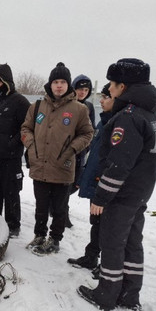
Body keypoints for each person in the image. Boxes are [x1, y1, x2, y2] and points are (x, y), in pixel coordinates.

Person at [77, 58, 156, 311]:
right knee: (132, 243)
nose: (109, 89)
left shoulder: (128, 118)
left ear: (123, 87)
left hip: (123, 195)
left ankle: (107, 293)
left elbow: (118, 164)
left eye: (112, 84)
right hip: (139, 194)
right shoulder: (150, 114)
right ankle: (129, 293)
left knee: (113, 242)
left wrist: (101, 197)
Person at [20, 62, 93, 255]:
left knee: (59, 209)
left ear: (68, 85)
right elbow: (25, 128)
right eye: (55, 82)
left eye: (62, 82)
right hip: (40, 164)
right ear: (50, 84)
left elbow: (87, 134)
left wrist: (71, 150)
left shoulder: (79, 109)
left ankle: (55, 239)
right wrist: (31, 146)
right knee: (41, 206)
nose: (58, 85)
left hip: (63, 166)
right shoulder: (37, 106)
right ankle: (39, 235)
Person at [67, 83, 114, 273]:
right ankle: (91, 256)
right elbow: (96, 155)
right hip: (97, 181)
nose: (101, 101)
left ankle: (108, 266)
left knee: (108, 227)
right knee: (96, 223)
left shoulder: (119, 123)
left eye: (105, 97)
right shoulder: (105, 122)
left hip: (106, 185)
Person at [0, 64, 30, 236]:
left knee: (11, 192)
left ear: (6, 82)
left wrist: (13, 142)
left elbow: (26, 127)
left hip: (11, 157)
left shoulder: (20, 102)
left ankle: (13, 225)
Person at [62, 74, 97, 228]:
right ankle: (62, 212)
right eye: (79, 89)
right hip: (66, 151)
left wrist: (85, 146)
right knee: (63, 183)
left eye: (86, 89)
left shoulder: (88, 107)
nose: (82, 92)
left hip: (81, 152)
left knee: (76, 183)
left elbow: (92, 130)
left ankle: (59, 206)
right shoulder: (68, 104)